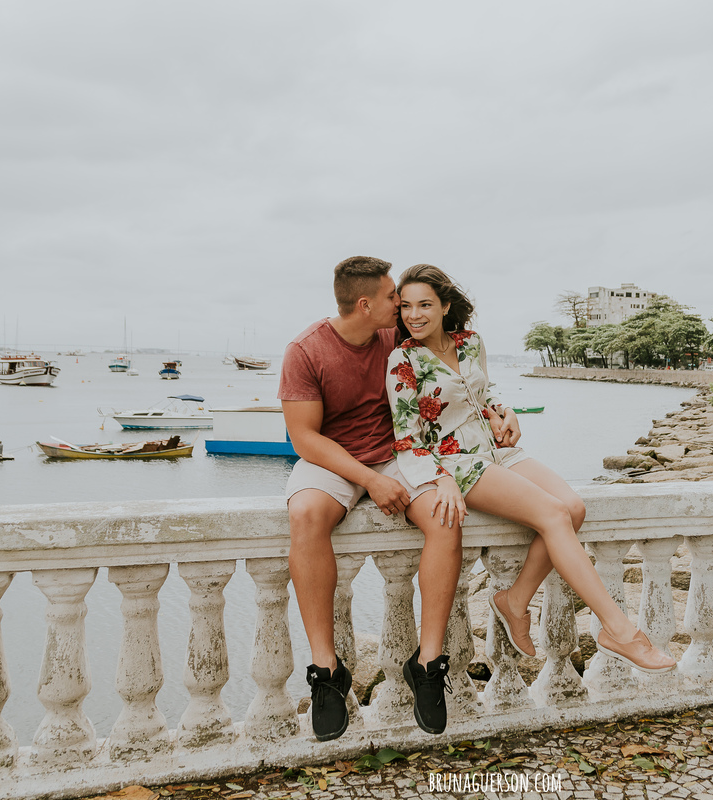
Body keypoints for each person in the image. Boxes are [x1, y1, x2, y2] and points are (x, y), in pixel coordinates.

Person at [386, 264, 677, 676]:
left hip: (494, 450)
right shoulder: (403, 359)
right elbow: (407, 438)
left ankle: (514, 600)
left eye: (425, 305)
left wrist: (505, 412)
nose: (414, 315)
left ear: (445, 305)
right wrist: (440, 478)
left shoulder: (469, 343)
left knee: (573, 508)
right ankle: (620, 630)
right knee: (554, 515)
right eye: (407, 307)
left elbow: (479, 396)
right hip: (454, 461)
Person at [280, 256, 477, 741]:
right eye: (394, 297)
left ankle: (427, 661)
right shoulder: (305, 351)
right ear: (365, 304)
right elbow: (305, 439)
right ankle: (327, 671)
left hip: (399, 457)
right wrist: (368, 479)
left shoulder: (399, 337)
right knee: (305, 515)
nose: (402, 306)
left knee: (446, 518)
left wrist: (495, 413)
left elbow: (456, 382)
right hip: (335, 461)